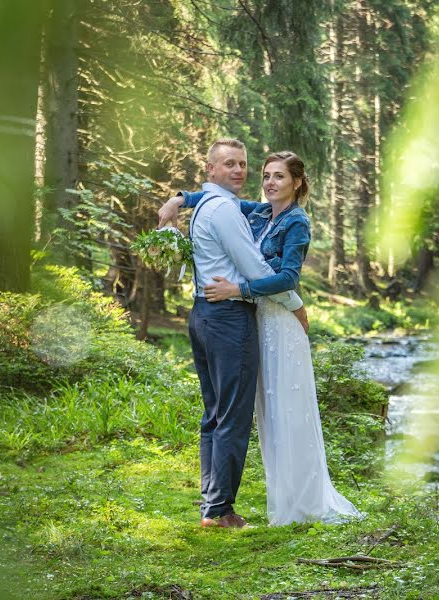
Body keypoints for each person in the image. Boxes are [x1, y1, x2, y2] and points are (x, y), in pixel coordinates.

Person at [171, 151, 359, 526]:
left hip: (279, 325)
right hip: (255, 321)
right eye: (267, 176)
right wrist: (179, 197)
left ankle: (299, 499)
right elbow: (218, 197)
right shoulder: (256, 213)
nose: (270, 182)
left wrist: (240, 290)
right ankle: (222, 506)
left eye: (279, 177)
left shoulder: (297, 223)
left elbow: (288, 277)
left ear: (297, 183)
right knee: (256, 411)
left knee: (287, 410)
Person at [163, 138, 308, 529]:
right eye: (230, 164)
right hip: (228, 319)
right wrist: (295, 305)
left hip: (205, 315)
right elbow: (259, 271)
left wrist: (179, 198)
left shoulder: (217, 205)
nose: (241, 172)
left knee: (215, 414)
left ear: (296, 182)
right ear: (211, 169)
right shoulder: (226, 210)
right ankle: (219, 510)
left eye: (244, 164)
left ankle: (212, 506)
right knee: (232, 417)